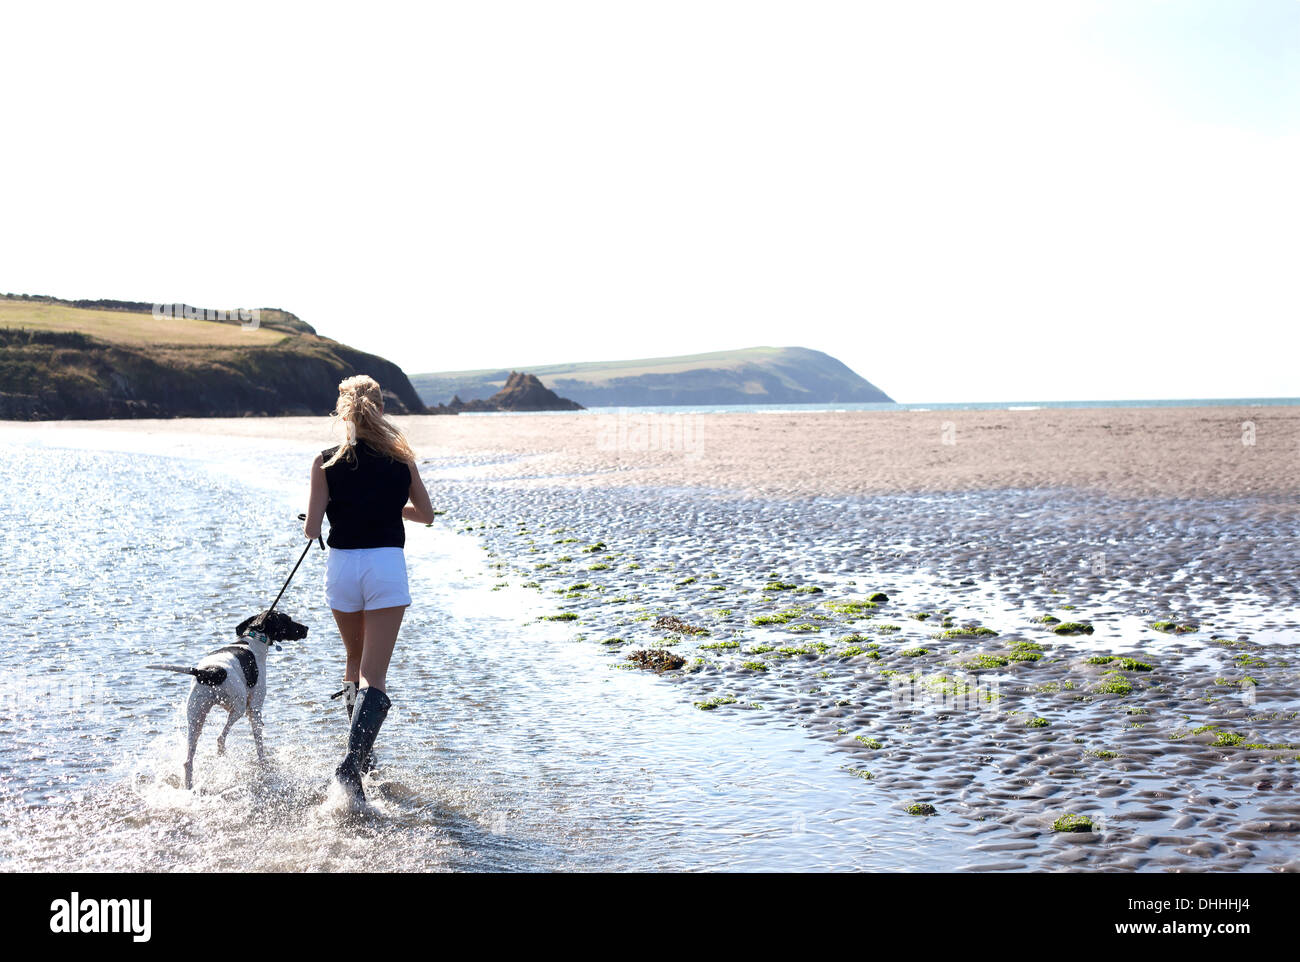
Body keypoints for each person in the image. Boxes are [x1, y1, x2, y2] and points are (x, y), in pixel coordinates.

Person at [302, 374, 435, 804]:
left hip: (342, 566)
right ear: (380, 406)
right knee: (373, 675)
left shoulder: (324, 459)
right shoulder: (402, 458)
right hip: (384, 566)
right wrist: (389, 505)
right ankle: (352, 765)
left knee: (353, 660)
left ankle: (361, 755)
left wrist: (321, 516)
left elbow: (311, 527)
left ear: (343, 410)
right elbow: (427, 514)